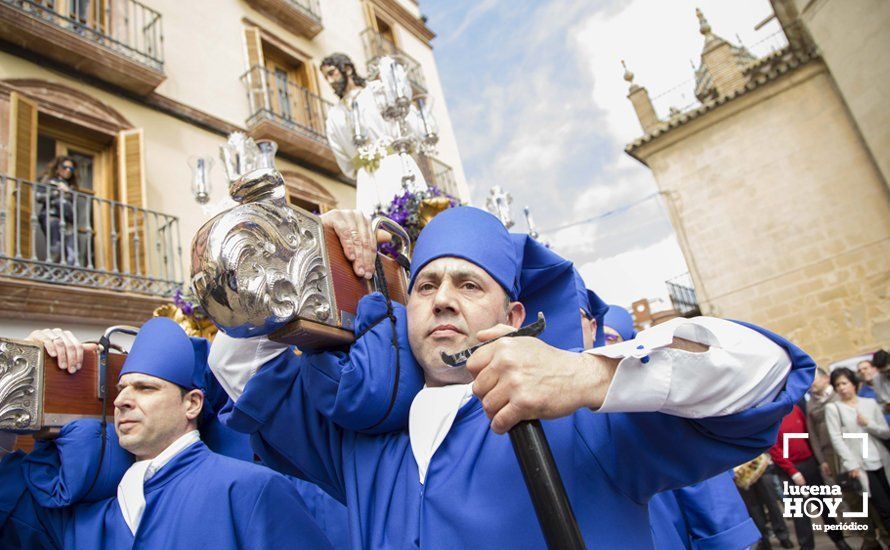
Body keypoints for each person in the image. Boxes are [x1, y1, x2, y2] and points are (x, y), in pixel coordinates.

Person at [206, 206, 814, 549]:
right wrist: (319, 256)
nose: (443, 300)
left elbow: (769, 372)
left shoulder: (588, 421)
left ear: (514, 315)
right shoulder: (356, 443)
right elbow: (233, 358)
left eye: (469, 285)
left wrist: (588, 377)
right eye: (425, 286)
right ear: (403, 310)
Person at [0, 318, 332, 549]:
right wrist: (19, 369)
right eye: (120, 389)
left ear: (192, 404)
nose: (123, 400)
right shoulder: (92, 514)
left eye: (145, 388)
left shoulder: (249, 489)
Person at [595, 305, 761, 550]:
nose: (606, 343)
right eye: (602, 336)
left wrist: (726, 535)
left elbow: (701, 480)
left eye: (612, 337)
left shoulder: (648, 395)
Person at [321, 53, 427, 216]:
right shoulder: (334, 117)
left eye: (331, 73)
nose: (330, 81)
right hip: (366, 179)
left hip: (395, 164)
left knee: (411, 214)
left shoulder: (378, 91)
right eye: (325, 77)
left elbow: (406, 117)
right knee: (376, 229)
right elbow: (344, 160)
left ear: (348, 69)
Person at [769, 404, 850, 550]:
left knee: (824, 505)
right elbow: (774, 449)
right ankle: (806, 547)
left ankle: (839, 540)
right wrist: (793, 471)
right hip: (788, 471)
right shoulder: (768, 418)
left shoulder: (795, 409)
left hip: (809, 463)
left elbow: (810, 434)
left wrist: (819, 461)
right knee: (800, 513)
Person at [826, 367, 890, 531]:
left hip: (881, 459)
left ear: (853, 384)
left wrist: (869, 424)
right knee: (882, 507)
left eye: (844, 383)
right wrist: (851, 463)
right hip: (860, 464)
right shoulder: (834, 409)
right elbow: (836, 438)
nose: (841, 387)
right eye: (837, 384)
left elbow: (885, 432)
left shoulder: (869, 403)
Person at [35, 155, 80, 265]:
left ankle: (68, 279)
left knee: (74, 254)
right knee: (56, 249)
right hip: (52, 217)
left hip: (69, 221)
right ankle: (52, 279)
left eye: (71, 169)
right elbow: (39, 197)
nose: (68, 170)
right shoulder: (49, 181)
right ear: (58, 167)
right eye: (65, 167)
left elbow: (74, 206)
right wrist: (57, 192)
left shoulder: (71, 187)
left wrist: (68, 192)